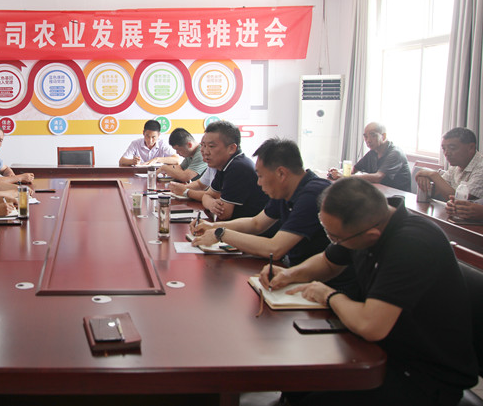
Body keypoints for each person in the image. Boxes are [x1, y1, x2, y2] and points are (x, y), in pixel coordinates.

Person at [261, 178, 477, 406]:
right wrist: (291, 274)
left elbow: (370, 326)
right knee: (296, 384)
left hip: (424, 375)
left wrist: (329, 296)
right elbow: (328, 262)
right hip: (379, 351)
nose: (333, 241)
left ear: (372, 235)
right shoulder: (366, 221)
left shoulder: (411, 244)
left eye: (335, 237)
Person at [191, 137, 356, 293]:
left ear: (281, 174)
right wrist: (212, 226)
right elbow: (256, 223)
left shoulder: (312, 195)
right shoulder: (285, 190)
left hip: (328, 286)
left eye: (261, 176)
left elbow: (275, 249)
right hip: (296, 274)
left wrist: (221, 233)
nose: (258, 182)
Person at [197, 121, 269, 221]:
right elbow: (207, 195)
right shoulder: (224, 165)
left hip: (252, 228)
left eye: (211, 146)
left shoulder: (238, 168)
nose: (205, 152)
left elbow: (223, 214)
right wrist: (211, 203)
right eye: (203, 145)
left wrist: (210, 202)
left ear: (232, 148)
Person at [327, 122, 411, 191]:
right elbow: (354, 169)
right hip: (380, 192)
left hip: (397, 197)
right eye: (366, 137)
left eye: (373, 135)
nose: (368, 140)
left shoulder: (395, 153)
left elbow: (378, 177)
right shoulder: (373, 152)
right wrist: (338, 172)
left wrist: (345, 177)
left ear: (383, 136)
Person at [415, 127, 483, 200]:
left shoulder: (480, 166)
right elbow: (437, 190)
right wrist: (424, 180)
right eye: (444, 149)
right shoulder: (455, 166)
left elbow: (461, 201)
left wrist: (433, 175)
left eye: (452, 148)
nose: (446, 153)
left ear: (471, 148)